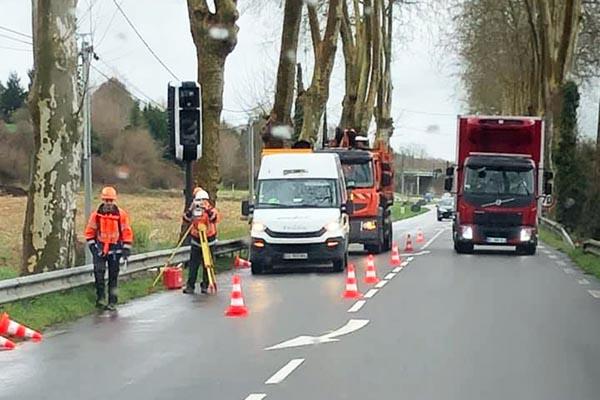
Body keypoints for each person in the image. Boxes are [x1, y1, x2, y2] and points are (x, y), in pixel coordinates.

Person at [84, 186, 133, 311]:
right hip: (100, 250)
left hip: (115, 250)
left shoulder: (121, 215)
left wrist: (126, 248)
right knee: (98, 274)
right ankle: (100, 299)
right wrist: (94, 249)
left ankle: (112, 301)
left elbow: (126, 231)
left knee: (113, 277)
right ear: (102, 200)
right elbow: (90, 232)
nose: (108, 203)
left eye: (110, 201)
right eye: (106, 201)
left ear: (114, 201)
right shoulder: (96, 216)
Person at [182, 187, 220, 294]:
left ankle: (205, 285)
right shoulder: (194, 209)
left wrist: (207, 210)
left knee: (207, 264)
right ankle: (190, 286)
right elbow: (186, 219)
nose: (200, 203)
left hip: (209, 240)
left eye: (202, 201)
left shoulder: (211, 210)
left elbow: (214, 218)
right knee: (193, 264)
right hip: (196, 240)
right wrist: (190, 210)